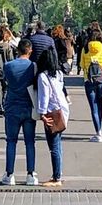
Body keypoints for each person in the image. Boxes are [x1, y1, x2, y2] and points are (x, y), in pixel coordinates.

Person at [1, 36, 37, 186]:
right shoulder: (33, 66)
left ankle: (10, 174)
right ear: (30, 51)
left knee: (11, 141)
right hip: (28, 106)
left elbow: (5, 82)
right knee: (30, 142)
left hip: (12, 106)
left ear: (17, 50)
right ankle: (31, 174)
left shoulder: (8, 66)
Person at [37, 45, 70, 187]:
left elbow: (44, 97)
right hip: (62, 111)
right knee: (58, 144)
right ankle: (58, 174)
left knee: (54, 145)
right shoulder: (59, 74)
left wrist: (42, 113)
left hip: (52, 112)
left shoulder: (43, 76)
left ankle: (56, 177)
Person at [80, 28, 102, 142]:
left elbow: (82, 64)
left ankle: (98, 132)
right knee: (100, 105)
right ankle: (100, 130)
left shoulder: (86, 49)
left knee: (93, 108)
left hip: (89, 81)